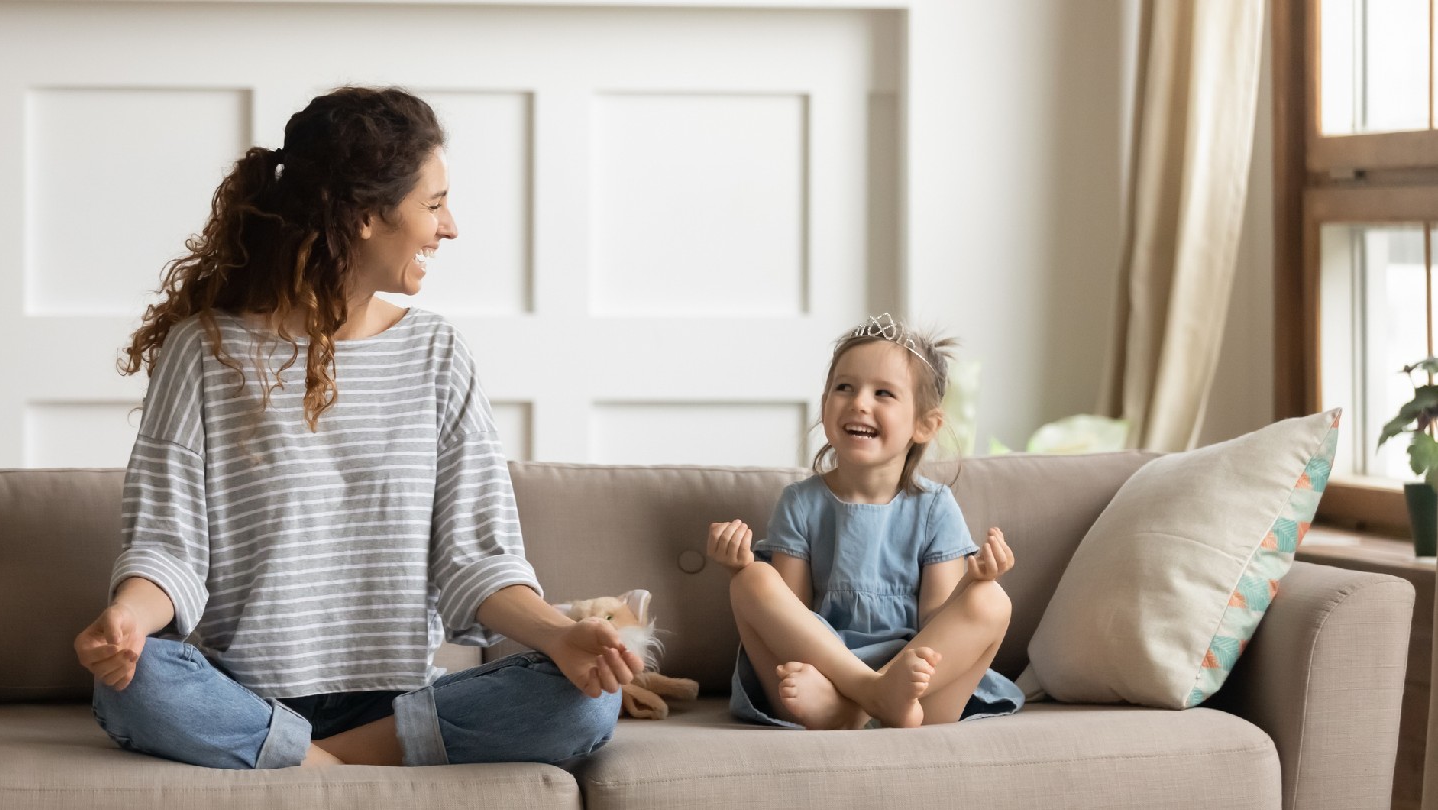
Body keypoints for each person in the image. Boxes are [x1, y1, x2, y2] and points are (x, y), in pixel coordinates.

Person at [73, 86, 641, 770]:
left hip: (394, 700)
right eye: (433, 205)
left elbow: (477, 563)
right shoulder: (204, 351)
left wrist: (560, 635)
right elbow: (169, 549)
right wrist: (129, 621)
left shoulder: (437, 355)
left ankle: (304, 763)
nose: (449, 226)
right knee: (131, 688)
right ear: (367, 214)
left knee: (586, 699)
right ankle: (337, 763)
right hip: (244, 693)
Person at [707, 313, 1023, 730]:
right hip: (821, 675)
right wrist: (736, 564)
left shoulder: (935, 508)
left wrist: (972, 581)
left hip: (915, 691)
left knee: (991, 600)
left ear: (925, 424)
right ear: (824, 405)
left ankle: (859, 707)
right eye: (844, 387)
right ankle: (866, 695)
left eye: (883, 393)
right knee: (751, 580)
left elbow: (936, 623)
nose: (859, 402)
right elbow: (795, 617)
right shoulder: (801, 503)